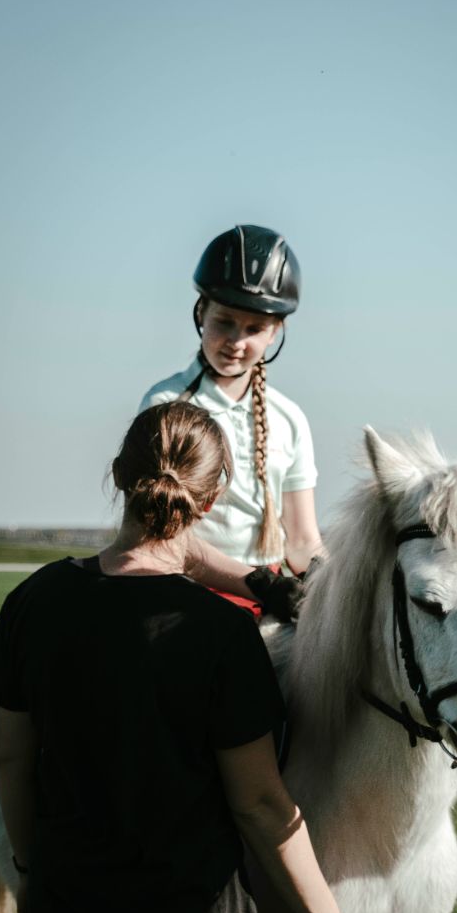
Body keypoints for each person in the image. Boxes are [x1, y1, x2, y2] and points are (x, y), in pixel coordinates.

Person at [0, 401, 359, 913]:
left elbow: (10, 757)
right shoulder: (221, 635)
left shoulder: (33, 601)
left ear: (119, 475)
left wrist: (37, 870)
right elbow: (262, 806)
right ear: (212, 500)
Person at [139, 224, 324, 620]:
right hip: (186, 595)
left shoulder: (289, 419)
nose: (236, 342)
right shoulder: (165, 405)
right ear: (202, 311)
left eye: (254, 329)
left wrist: (333, 585)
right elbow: (167, 539)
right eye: (224, 322)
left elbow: (303, 541)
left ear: (276, 332)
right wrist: (259, 585)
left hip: (269, 597)